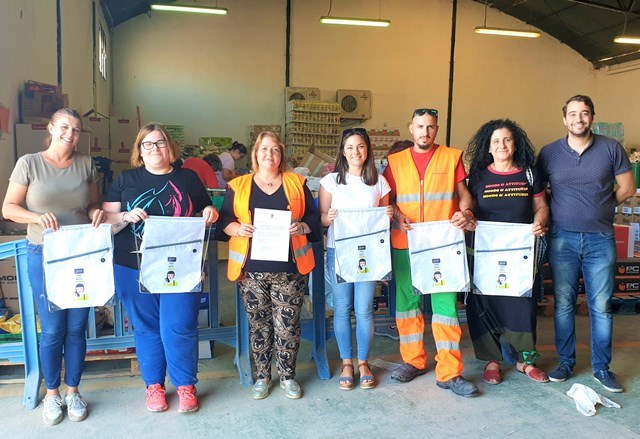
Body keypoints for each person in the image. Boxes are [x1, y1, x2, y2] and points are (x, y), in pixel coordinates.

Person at [102, 124, 218, 413]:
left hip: (181, 267)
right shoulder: (126, 179)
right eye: (148, 144)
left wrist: (210, 212)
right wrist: (126, 216)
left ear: (171, 148)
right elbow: (104, 220)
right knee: (147, 328)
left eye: (161, 143)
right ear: (139, 151)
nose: (155, 149)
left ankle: (185, 386)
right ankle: (154, 386)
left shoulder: (188, 178)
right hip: (133, 266)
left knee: (179, 326)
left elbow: (207, 211)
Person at [2, 108, 105, 425]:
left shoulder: (86, 164)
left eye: (76, 130)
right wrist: (36, 217)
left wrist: (96, 214)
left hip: (80, 253)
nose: (70, 135)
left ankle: (73, 391)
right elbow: (8, 208)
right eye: (64, 128)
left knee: (77, 328)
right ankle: (52, 393)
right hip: (43, 253)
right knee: (53, 329)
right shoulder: (29, 163)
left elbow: (92, 205)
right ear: (51, 128)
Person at [537, 95, 635, 393]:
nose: (579, 119)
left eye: (585, 113)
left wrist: (601, 208)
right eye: (573, 114)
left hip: (600, 239)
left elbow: (627, 187)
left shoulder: (610, 148)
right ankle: (566, 361)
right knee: (564, 304)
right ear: (564, 118)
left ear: (592, 117)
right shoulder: (549, 153)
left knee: (601, 305)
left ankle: (602, 368)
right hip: (562, 238)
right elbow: (539, 193)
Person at [218, 131, 321, 400]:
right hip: (251, 271)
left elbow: (313, 218)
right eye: (264, 149)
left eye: (274, 149)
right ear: (255, 154)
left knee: (288, 325)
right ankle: (263, 376)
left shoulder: (297, 183)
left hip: (290, 269)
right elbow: (224, 220)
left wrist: (303, 225)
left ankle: (287, 377)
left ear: (281, 155)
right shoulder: (238, 186)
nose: (269, 154)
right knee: (259, 325)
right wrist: (237, 228)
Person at [382, 107, 477, 397]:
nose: (425, 132)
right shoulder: (394, 162)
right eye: (420, 126)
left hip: (442, 244)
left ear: (437, 129)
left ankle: (449, 372)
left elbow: (463, 195)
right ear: (411, 128)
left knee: (446, 309)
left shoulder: (452, 157)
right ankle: (413, 360)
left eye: (431, 127)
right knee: (407, 306)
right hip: (406, 243)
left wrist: (466, 212)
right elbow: (389, 201)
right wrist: (397, 216)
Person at [465, 119, 550, 386]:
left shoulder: (528, 173)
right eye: (496, 141)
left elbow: (542, 206)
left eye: (507, 140)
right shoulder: (478, 176)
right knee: (486, 303)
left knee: (520, 304)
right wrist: (466, 216)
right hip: (485, 253)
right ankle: (492, 361)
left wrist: (540, 221)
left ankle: (526, 360)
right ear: (488, 148)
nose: (502, 145)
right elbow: (469, 209)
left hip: (519, 253)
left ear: (516, 144)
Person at [319, 127, 392, 391]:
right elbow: (322, 218)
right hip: (339, 252)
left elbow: (386, 214)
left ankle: (363, 362)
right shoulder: (330, 182)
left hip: (368, 254)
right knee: (341, 309)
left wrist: (389, 213)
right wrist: (331, 218)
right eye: (350, 147)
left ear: (368, 149)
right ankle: (346, 362)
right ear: (343, 151)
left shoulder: (380, 182)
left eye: (360, 146)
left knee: (363, 310)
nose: (355, 152)